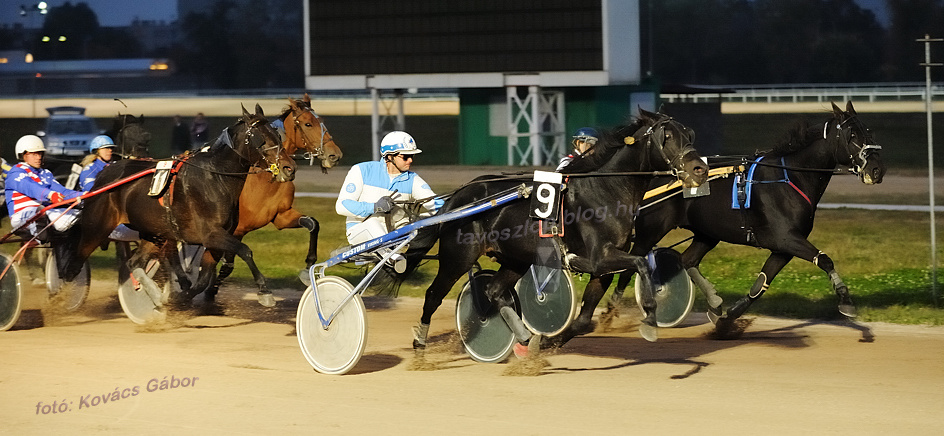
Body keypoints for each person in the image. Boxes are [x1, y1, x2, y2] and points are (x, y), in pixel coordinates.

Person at [335, 131, 443, 271]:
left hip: (395, 237)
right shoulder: (361, 170)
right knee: (372, 223)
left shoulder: (413, 180)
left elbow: (436, 205)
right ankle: (393, 258)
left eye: (412, 156)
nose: (411, 160)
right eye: (406, 156)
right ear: (389, 157)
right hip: (360, 232)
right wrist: (375, 207)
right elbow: (341, 206)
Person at [4, 135, 83, 237]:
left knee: (81, 215)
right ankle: (43, 234)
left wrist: (84, 195)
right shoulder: (16, 172)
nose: (39, 157)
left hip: (45, 212)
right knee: (49, 215)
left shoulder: (45, 173)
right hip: (21, 215)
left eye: (40, 153)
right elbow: (30, 187)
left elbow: (63, 192)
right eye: (34, 154)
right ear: (22, 154)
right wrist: (50, 194)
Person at [77, 135, 139, 241]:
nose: (109, 151)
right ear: (97, 151)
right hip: (98, 212)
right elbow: (93, 192)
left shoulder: (115, 166)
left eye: (111, 148)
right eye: (105, 148)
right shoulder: (90, 169)